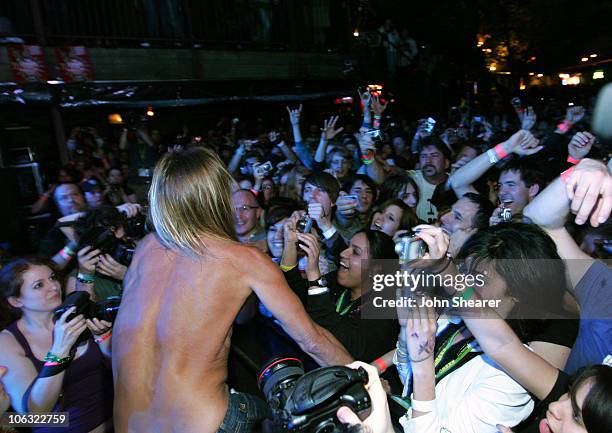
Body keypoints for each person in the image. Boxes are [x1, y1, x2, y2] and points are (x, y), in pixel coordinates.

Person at [112, 147, 353, 433]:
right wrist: (367, 376)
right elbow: (312, 340)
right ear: (217, 198)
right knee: (288, 407)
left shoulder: (145, 248)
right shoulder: (244, 260)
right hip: (204, 425)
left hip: (128, 426)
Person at [0, 258, 114, 433]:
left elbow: (118, 368)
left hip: (120, 418)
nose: (54, 287)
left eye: (52, 278)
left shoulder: (72, 312)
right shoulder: (8, 341)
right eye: (39, 285)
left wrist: (103, 336)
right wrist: (59, 351)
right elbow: (33, 417)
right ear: (16, 301)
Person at [281, 226, 399, 362]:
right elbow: (296, 300)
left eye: (355, 252)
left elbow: (348, 346)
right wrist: (290, 245)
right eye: (348, 247)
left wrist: (314, 277)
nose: (343, 253)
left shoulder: (386, 309)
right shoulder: (337, 282)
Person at [407, 137, 451, 222]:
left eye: (434, 155)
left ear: (446, 163)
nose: (428, 161)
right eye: (423, 156)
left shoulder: (456, 182)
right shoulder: (411, 179)